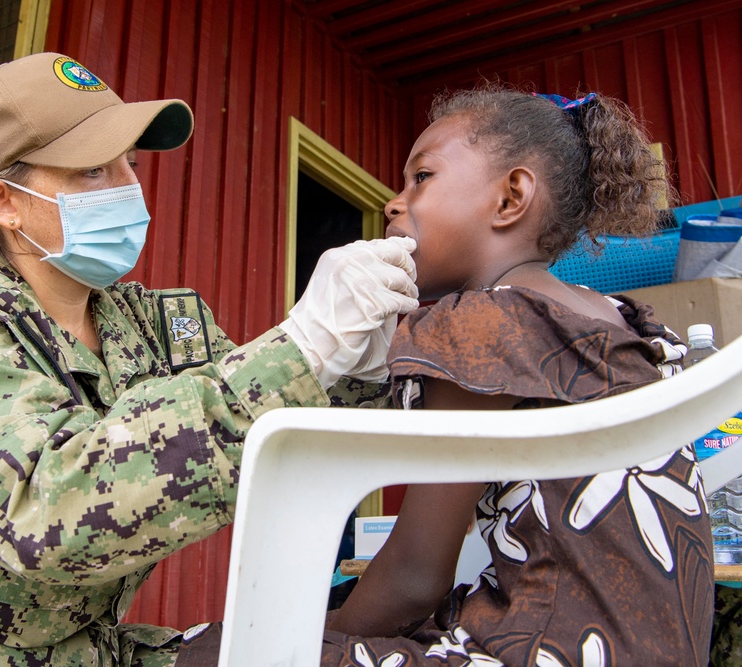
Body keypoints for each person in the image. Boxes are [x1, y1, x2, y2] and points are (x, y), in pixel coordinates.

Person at [0, 52, 419, 666]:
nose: (132, 188)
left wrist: (353, 374)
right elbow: (46, 514)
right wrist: (301, 346)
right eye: (94, 170)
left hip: (71, 646)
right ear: (4, 202)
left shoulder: (151, 325)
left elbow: (263, 434)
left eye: (129, 162)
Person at [173, 87, 715, 666]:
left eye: (421, 177)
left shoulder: (488, 323)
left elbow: (413, 578)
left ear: (511, 198)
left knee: (207, 651)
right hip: (652, 650)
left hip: (545, 650)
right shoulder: (618, 319)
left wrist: (307, 637)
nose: (393, 203)